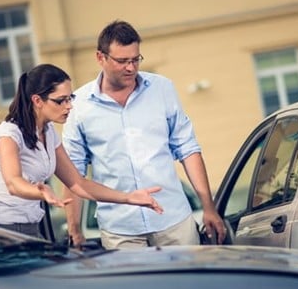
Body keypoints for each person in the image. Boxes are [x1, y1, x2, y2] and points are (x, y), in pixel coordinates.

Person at [62, 20, 226, 249]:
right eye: (122, 61)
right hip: (120, 230)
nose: (130, 68)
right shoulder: (79, 106)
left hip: (173, 220)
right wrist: (74, 228)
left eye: (135, 59)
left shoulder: (162, 89)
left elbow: (188, 149)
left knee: (188, 285)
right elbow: (72, 173)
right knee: (134, 287)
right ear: (100, 58)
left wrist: (208, 207)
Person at [0, 63, 163, 238]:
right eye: (61, 101)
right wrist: (40, 191)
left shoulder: (49, 132)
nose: (69, 106)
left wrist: (129, 198)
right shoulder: (8, 134)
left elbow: (78, 184)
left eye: (70, 98)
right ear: (37, 100)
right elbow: (13, 183)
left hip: (32, 227)